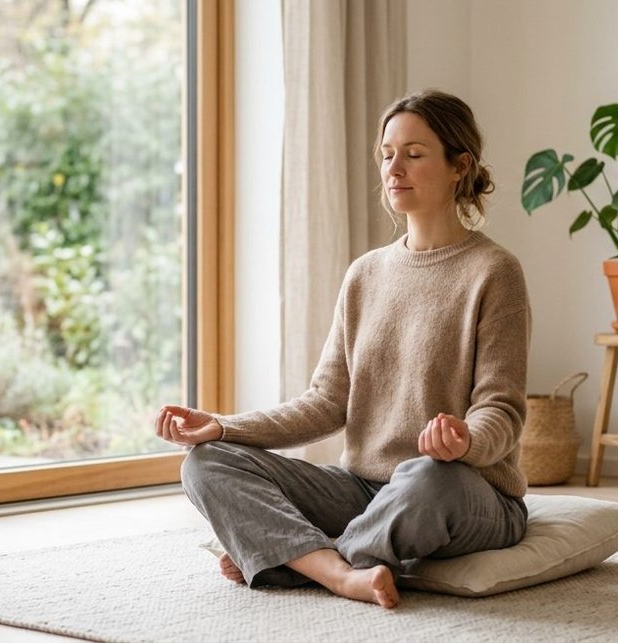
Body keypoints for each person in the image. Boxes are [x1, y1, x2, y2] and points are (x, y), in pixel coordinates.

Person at [154, 89, 530, 609]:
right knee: (205, 462)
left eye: (414, 154)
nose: (394, 168)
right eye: (387, 154)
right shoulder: (365, 274)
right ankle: (339, 572)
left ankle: (296, 559)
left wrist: (464, 442)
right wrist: (223, 427)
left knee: (428, 477)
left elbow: (502, 409)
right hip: (360, 490)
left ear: (458, 166)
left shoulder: (494, 271)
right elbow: (325, 403)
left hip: (463, 491)